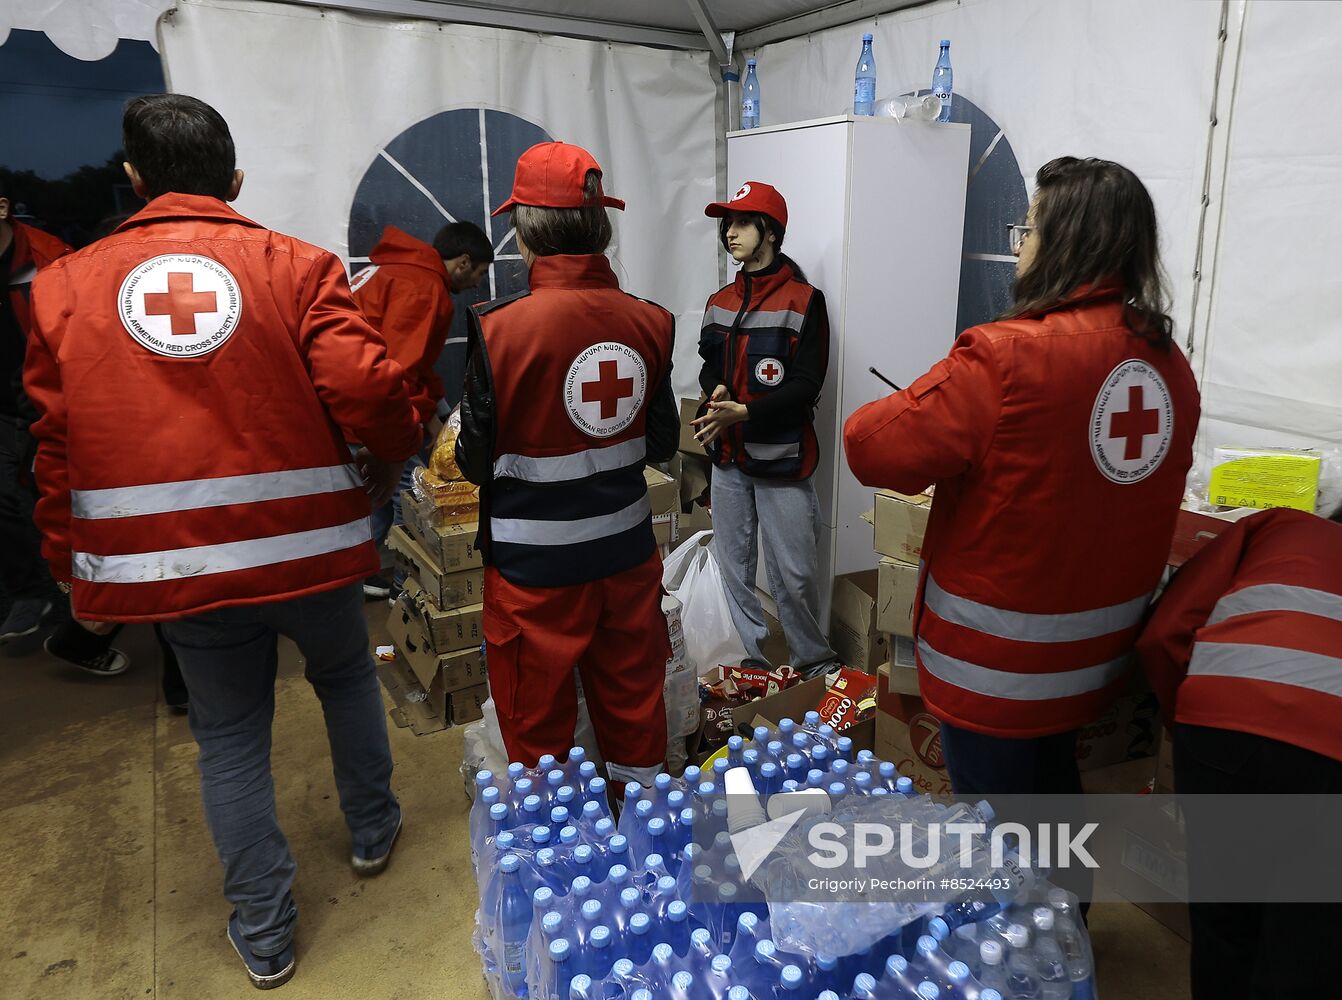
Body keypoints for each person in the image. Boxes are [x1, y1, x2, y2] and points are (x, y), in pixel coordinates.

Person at [23, 94, 421, 990]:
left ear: (131, 180)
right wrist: (389, 460)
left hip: (183, 573)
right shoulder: (299, 266)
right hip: (310, 553)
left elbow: (54, 451)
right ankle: (372, 831)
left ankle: (267, 932)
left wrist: (69, 568)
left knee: (231, 738)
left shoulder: (64, 286)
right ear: (234, 180)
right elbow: (368, 390)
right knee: (349, 679)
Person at [843, 156, 1201, 800]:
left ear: (1064, 242)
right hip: (1096, 667)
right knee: (1055, 811)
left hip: (995, 673)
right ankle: (1069, 906)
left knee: (1001, 853)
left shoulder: (1005, 358)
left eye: (1028, 230)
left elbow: (869, 447)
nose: (1021, 247)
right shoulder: (1169, 367)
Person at [455, 141, 678, 786]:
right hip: (627, 557)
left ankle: (558, 865)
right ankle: (647, 834)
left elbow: (473, 462)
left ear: (524, 234)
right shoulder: (650, 322)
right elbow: (660, 443)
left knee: (539, 733)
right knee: (636, 710)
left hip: (534, 574)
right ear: (599, 227)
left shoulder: (497, 330)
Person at [1136, 505, 1342, 1000]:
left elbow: (1165, 632)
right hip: (1332, 756)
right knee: (1306, 939)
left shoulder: (1278, 526)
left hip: (1222, 723)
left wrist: (1183, 722)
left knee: (1223, 917)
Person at [691, 181, 839, 678]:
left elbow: (806, 385)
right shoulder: (718, 301)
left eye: (741, 223)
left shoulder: (804, 301)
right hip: (729, 463)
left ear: (770, 231)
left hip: (783, 459)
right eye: (726, 224)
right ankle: (747, 665)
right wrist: (715, 392)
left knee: (794, 575)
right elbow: (709, 365)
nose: (729, 233)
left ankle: (814, 665)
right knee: (734, 570)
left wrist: (746, 414)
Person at [349, 221, 493, 599]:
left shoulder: (392, 272)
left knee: (377, 497)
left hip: (350, 408)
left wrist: (438, 416)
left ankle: (350, 576)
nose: (478, 283)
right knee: (417, 496)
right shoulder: (423, 287)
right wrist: (413, 428)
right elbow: (398, 371)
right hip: (372, 414)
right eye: (479, 272)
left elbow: (416, 365)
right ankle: (407, 589)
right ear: (462, 262)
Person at [0, 181, 72, 644]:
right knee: (4, 497)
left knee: (62, 493)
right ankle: (31, 593)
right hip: (3, 405)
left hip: (49, 396)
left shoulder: (51, 260)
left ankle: (88, 604)